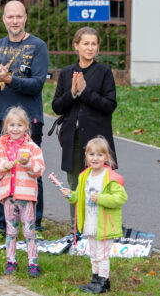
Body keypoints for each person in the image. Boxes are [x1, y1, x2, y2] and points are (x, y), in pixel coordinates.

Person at [0, 0, 49, 244]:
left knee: (31, 172)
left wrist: (9, 79)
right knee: (0, 172)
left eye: (19, 16)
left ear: (25, 18)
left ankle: (35, 225)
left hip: (30, 121)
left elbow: (37, 84)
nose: (14, 21)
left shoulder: (38, 46)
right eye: (10, 17)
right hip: (0, 121)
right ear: (4, 19)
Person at [51, 26, 118, 232]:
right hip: (74, 139)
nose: (90, 48)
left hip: (97, 141)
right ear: (76, 46)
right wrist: (72, 92)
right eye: (85, 43)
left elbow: (109, 105)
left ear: (98, 48)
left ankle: (99, 229)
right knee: (75, 185)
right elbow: (56, 106)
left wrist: (85, 91)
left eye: (93, 44)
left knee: (99, 184)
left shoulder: (103, 72)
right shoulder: (66, 73)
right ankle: (77, 230)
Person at [60, 137, 127, 293]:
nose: (95, 158)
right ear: (86, 156)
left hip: (105, 224)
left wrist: (101, 198)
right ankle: (95, 280)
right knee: (94, 254)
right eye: (91, 154)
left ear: (107, 157)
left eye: (99, 155)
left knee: (102, 255)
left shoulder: (111, 178)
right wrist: (71, 195)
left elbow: (121, 198)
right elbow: (80, 197)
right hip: (90, 222)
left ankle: (103, 282)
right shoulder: (85, 175)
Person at [0, 106, 45, 278]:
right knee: (11, 231)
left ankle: (33, 262)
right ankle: (10, 261)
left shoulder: (33, 148)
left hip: (26, 197)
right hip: (8, 197)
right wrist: (2, 166)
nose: (15, 129)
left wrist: (27, 164)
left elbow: (39, 170)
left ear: (26, 126)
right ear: (6, 127)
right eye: (11, 125)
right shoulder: (1, 149)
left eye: (19, 125)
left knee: (29, 231)